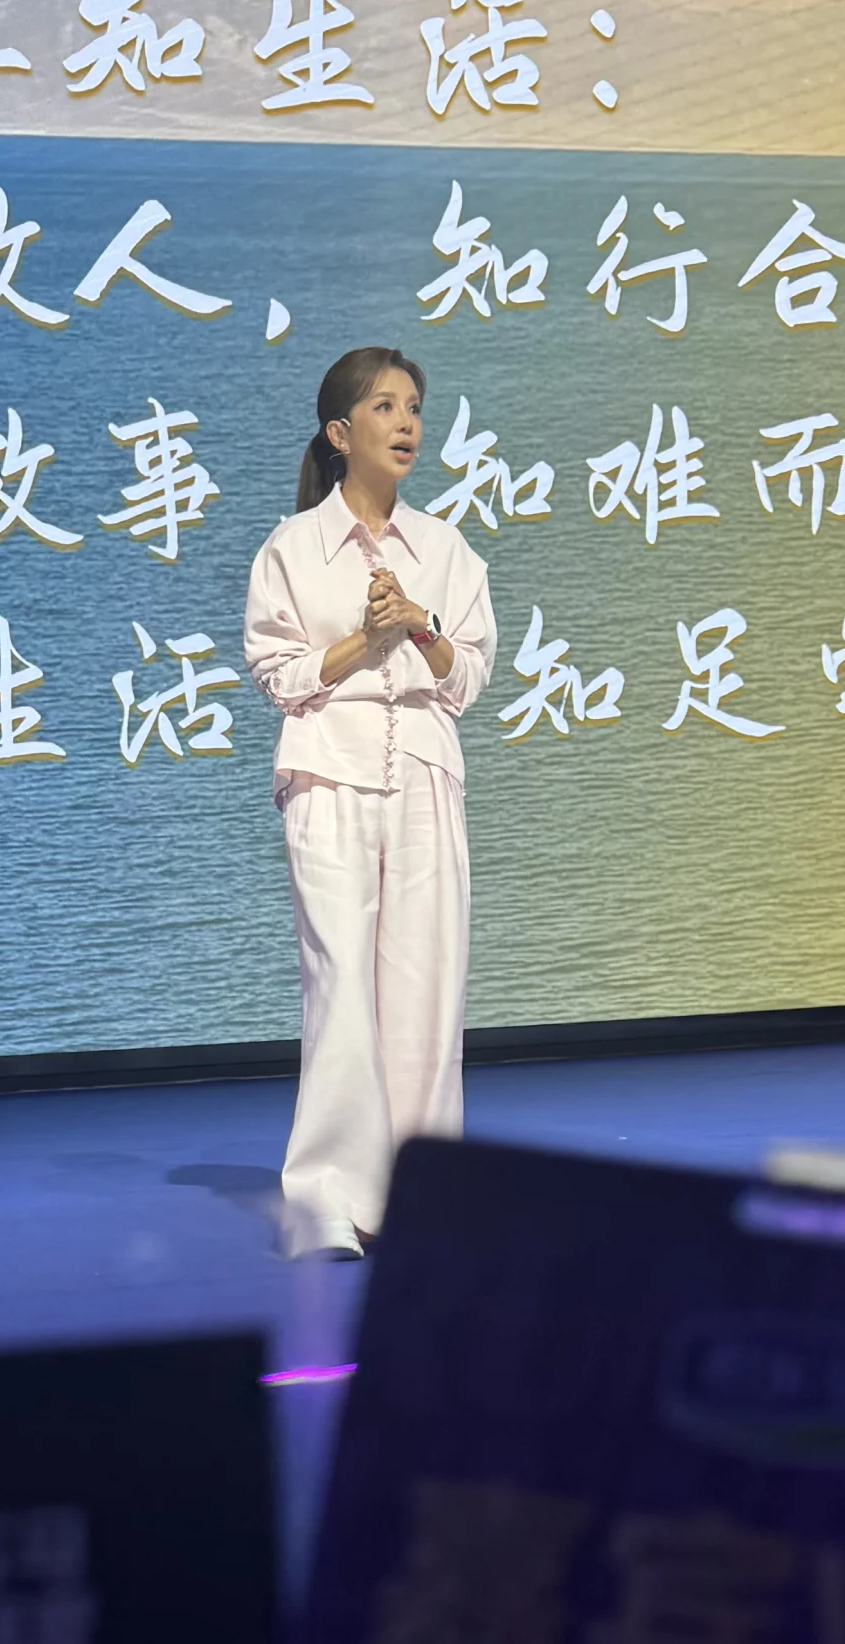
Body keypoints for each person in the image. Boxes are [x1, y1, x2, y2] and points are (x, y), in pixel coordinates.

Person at [243, 346, 497, 1259]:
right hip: (328, 775)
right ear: (339, 432)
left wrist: (419, 625)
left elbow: (468, 680)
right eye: (385, 406)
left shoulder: (446, 549)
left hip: (425, 773)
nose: (407, 423)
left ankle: (419, 1199)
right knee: (341, 982)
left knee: (427, 989)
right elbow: (278, 676)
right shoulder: (291, 549)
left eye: (415, 407)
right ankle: (326, 1200)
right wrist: (364, 638)